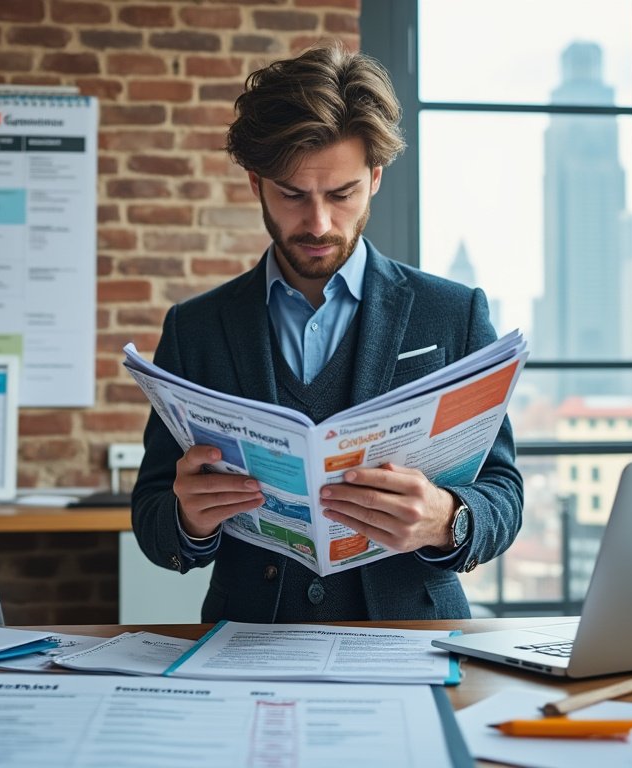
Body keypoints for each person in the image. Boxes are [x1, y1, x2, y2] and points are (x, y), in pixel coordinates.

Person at [130, 41, 523, 623]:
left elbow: (504, 494)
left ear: (376, 178)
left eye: (342, 195)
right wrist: (188, 518)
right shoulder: (197, 328)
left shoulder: (453, 313)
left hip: (412, 638)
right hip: (247, 645)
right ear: (255, 183)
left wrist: (446, 518)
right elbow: (152, 515)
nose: (317, 223)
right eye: (292, 195)